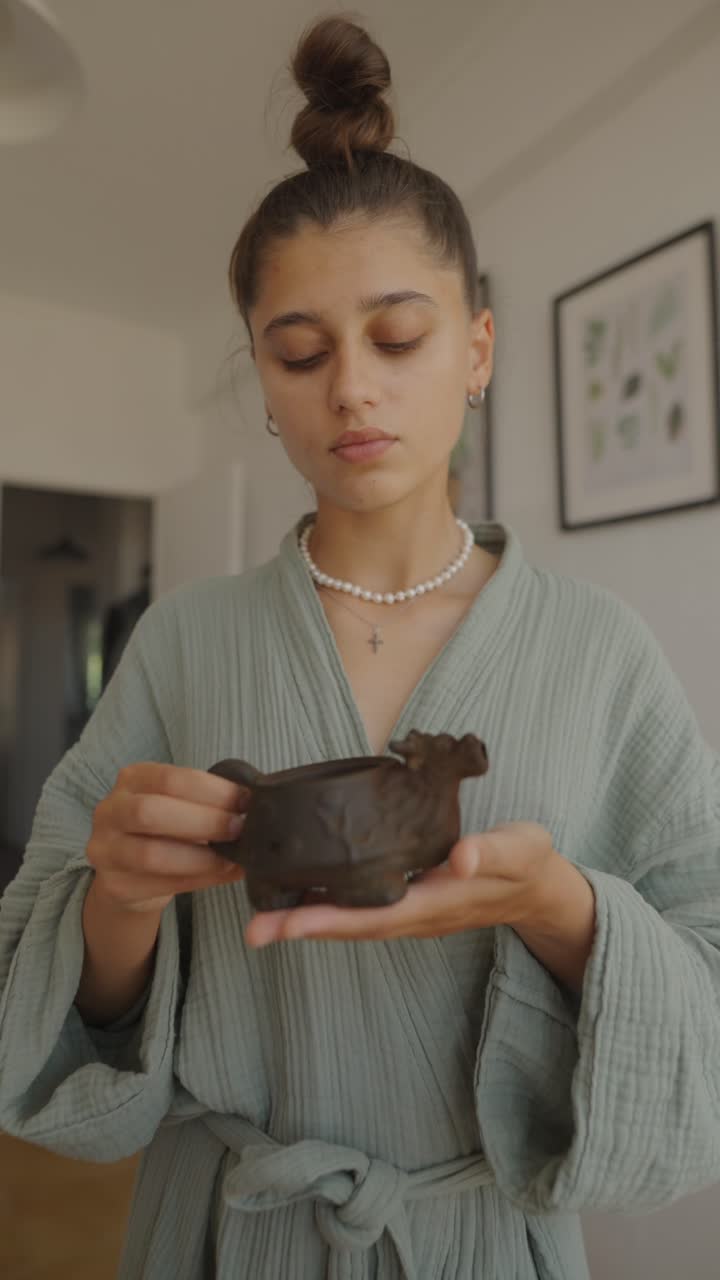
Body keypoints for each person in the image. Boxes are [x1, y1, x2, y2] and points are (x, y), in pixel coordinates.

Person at [1, 15, 719, 1280]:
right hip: (228, 1229)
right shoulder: (183, 640)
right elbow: (57, 1009)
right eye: (300, 351)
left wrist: (558, 907)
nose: (352, 390)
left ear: (479, 349)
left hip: (480, 1234)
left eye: (399, 338)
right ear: (263, 383)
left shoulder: (598, 649)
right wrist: (115, 896)